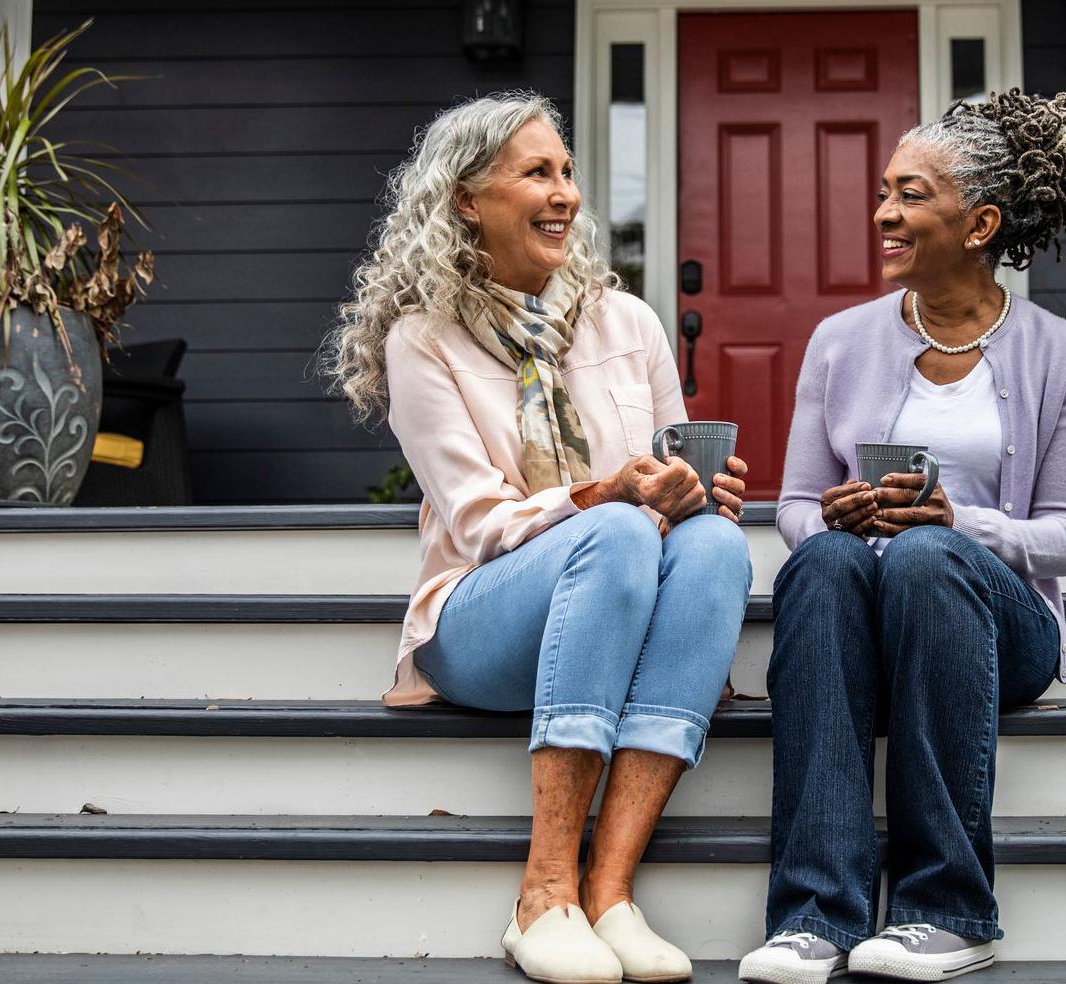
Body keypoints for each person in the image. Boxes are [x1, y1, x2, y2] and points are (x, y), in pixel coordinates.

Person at [325, 92, 752, 984]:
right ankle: (542, 893)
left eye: (567, 174)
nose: (563, 194)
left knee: (712, 548)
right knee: (618, 529)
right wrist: (608, 495)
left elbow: (670, 478)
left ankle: (610, 894)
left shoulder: (625, 321)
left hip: (619, 590)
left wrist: (700, 494)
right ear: (466, 200)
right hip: (483, 624)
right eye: (535, 173)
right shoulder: (423, 340)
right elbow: (480, 524)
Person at [738, 90, 1066, 983]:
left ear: (979, 221)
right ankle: (814, 918)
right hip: (861, 609)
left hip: (993, 623)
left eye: (909, 195)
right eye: (884, 192)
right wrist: (832, 514)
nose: (883, 214)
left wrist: (963, 523)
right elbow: (790, 504)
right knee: (826, 560)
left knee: (927, 555)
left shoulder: (1059, 353)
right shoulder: (839, 341)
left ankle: (948, 907)